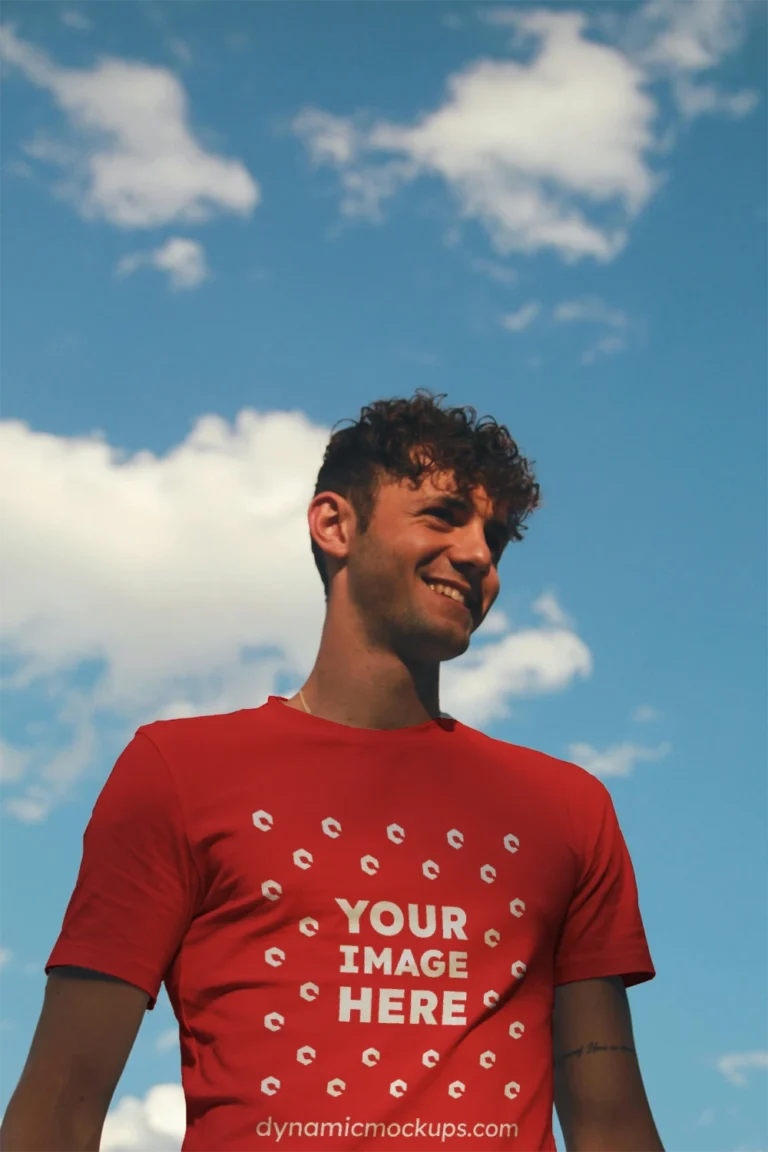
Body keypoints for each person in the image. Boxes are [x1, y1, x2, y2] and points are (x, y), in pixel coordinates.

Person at [0, 390, 665, 1151]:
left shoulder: (567, 809)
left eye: (497, 536)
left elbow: (611, 1124)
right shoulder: (177, 772)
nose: (481, 554)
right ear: (334, 525)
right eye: (444, 515)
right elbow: (57, 1107)